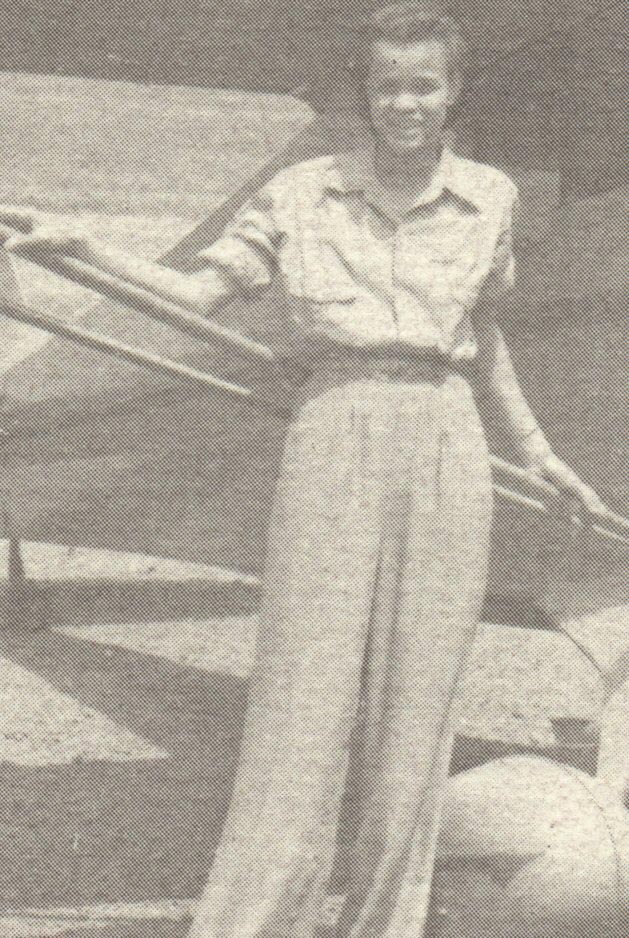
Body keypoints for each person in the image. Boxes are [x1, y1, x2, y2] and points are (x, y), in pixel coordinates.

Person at [1, 3, 606, 935]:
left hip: (446, 439)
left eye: (423, 85)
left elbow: (483, 336)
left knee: (417, 714)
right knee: (300, 707)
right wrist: (82, 246)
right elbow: (197, 290)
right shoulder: (300, 194)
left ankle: (384, 925)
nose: (405, 104)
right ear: (364, 95)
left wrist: (536, 452)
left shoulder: (490, 196)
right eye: (387, 86)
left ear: (451, 93)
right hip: (333, 425)